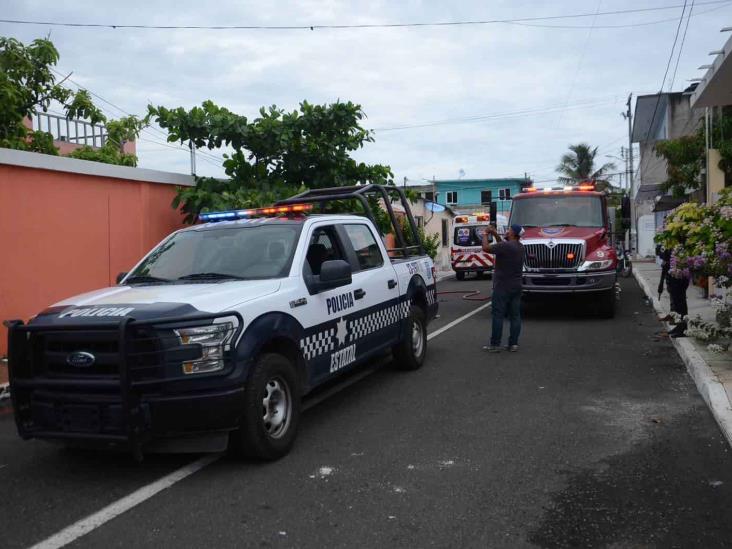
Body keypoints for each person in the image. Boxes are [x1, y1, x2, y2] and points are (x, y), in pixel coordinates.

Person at [481, 223, 525, 352]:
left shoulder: (506, 246)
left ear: (513, 233)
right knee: (515, 316)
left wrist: (485, 234)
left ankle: (495, 344)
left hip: (502, 286)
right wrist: (494, 233)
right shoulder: (520, 247)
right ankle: (513, 344)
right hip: (516, 286)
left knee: (498, 315)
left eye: (509, 230)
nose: (506, 231)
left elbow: (486, 248)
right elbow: (502, 246)